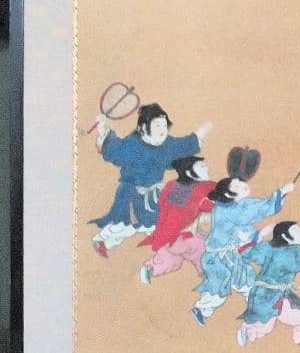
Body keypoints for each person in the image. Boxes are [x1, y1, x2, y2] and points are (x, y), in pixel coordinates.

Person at [89, 103, 212, 257]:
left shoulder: (168, 145)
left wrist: (202, 131)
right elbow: (114, 149)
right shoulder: (133, 144)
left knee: (151, 225)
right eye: (157, 125)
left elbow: (185, 145)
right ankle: (101, 240)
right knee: (124, 225)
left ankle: (110, 244)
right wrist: (103, 128)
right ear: (143, 127)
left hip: (154, 194)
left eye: (164, 125)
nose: (162, 129)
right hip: (130, 194)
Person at [191, 176, 293, 325]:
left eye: (240, 183)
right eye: (237, 186)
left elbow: (257, 209)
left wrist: (278, 198)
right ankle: (201, 309)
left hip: (231, 255)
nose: (243, 185)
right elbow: (250, 215)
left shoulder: (238, 205)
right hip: (218, 258)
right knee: (219, 289)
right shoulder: (227, 211)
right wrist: (281, 193)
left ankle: (257, 312)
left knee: (247, 282)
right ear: (228, 194)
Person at [237, 221, 300, 348]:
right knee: (268, 325)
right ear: (285, 236)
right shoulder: (291, 252)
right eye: (297, 231)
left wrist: (257, 237)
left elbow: (247, 253)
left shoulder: (267, 247)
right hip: (270, 297)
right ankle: (246, 329)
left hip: (262, 294)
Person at [137, 156, 214, 284]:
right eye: (201, 166)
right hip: (180, 236)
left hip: (165, 237)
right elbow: (205, 206)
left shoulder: (173, 185)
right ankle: (206, 274)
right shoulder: (201, 188)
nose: (206, 168)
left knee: (173, 261)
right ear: (189, 173)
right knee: (198, 247)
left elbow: (163, 205)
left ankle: (150, 268)